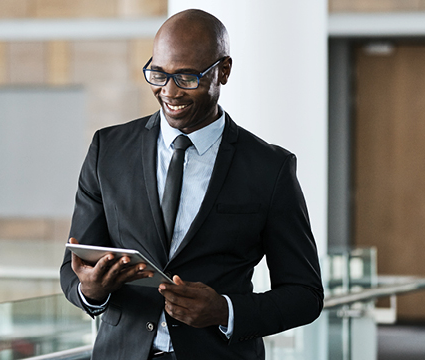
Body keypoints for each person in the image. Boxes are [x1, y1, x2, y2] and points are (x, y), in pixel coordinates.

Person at [59, 9, 324, 360]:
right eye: (158, 74)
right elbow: (73, 269)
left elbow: (304, 295)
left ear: (223, 71)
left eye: (186, 77)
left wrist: (225, 311)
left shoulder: (269, 168)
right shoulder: (107, 151)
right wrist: (91, 290)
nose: (169, 92)